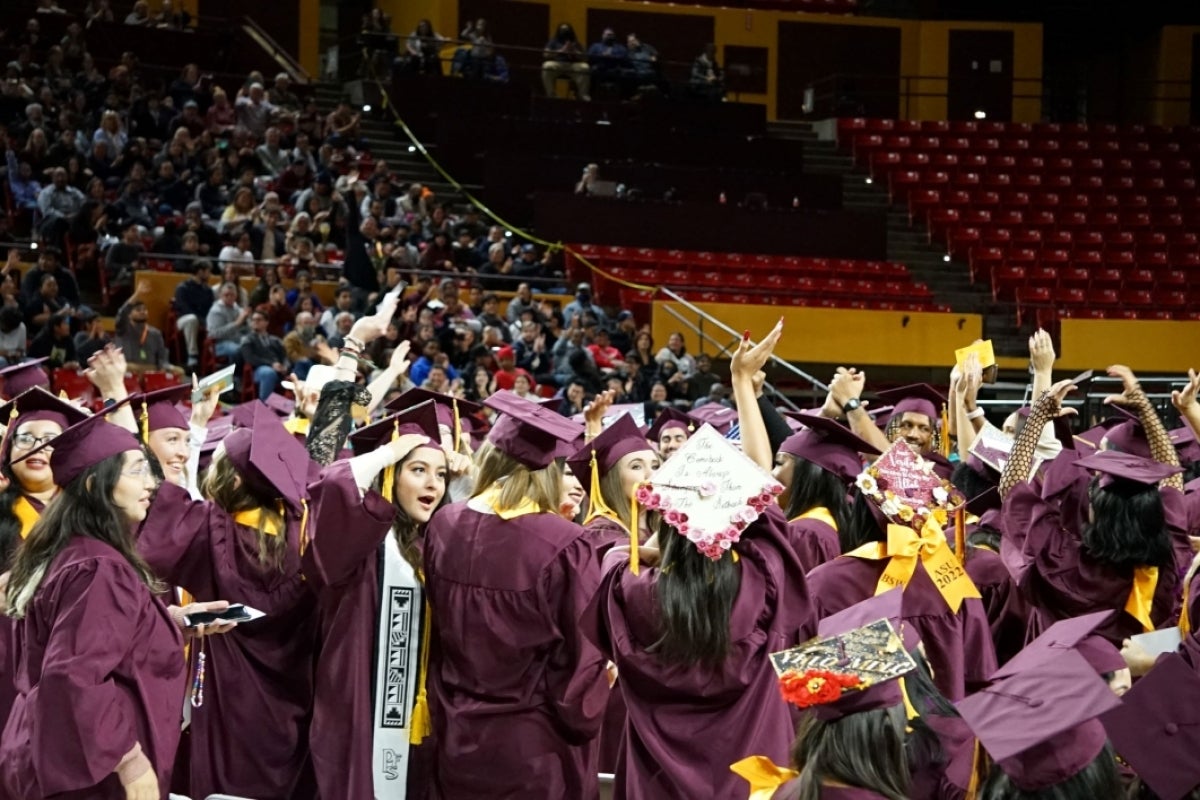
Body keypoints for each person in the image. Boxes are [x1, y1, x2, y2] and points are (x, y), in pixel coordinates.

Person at [581, 321, 815, 800]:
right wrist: (743, 389)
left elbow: (611, 561)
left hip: (655, 785)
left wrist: (647, 555)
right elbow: (759, 490)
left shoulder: (630, 588)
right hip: (748, 779)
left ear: (664, 522)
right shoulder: (757, 580)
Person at [0, 405, 231, 799]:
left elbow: (77, 637)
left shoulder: (70, 548)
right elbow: (73, 675)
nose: (151, 484)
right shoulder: (99, 567)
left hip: (48, 750)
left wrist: (167, 620)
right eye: (138, 469)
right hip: (94, 770)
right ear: (95, 485)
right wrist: (131, 762)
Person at [422, 390, 607, 798]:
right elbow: (580, 660)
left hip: (455, 730)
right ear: (549, 471)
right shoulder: (566, 543)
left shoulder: (442, 525)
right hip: (533, 744)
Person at [304, 399, 449, 798]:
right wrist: (389, 451)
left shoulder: (432, 546)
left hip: (420, 716)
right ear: (390, 476)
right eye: (418, 471)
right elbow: (333, 484)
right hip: (357, 705)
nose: (433, 485)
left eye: (441, 474)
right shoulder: (361, 541)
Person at [998, 366, 1186, 647]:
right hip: (1139, 683)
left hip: (1068, 682)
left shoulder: (1063, 563)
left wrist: (1037, 417)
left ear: (1096, 512)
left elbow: (1011, 487)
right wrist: (1146, 412)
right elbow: (1173, 477)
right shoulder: (1167, 560)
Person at [775, 415, 880, 572]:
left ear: (810, 474)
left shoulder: (806, 534)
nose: (772, 473)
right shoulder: (838, 525)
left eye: (779, 463)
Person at [173, 260, 215, 371]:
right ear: (200, 272)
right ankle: (192, 356)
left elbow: (211, 309)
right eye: (208, 272)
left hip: (203, 320)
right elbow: (184, 308)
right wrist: (201, 320)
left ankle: (213, 357)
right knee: (192, 319)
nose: (210, 275)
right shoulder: (183, 288)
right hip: (183, 319)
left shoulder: (208, 290)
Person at [240, 308, 289, 400]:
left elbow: (284, 356)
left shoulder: (275, 340)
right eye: (253, 320)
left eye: (259, 320)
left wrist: (285, 366)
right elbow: (250, 358)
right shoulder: (247, 339)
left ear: (266, 322)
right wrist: (271, 364)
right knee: (268, 373)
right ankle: (264, 407)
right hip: (259, 369)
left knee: (298, 370)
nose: (255, 322)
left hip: (278, 368)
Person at [542, 23, 591, 101]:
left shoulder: (576, 42)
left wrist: (574, 51)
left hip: (573, 65)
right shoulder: (553, 41)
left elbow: (585, 57)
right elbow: (546, 54)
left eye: (566, 29)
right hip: (558, 64)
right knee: (546, 65)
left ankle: (582, 95)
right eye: (562, 29)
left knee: (585, 67)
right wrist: (561, 51)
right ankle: (551, 94)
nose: (564, 31)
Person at [205, 281, 251, 363]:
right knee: (238, 350)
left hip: (237, 339)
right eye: (226, 295)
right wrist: (237, 323)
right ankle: (235, 372)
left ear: (236, 296)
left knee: (252, 345)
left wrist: (248, 322)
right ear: (221, 295)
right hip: (219, 343)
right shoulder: (216, 311)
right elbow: (214, 334)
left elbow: (246, 330)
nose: (229, 297)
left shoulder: (238, 309)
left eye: (232, 295)